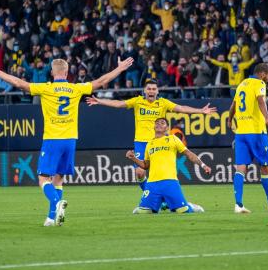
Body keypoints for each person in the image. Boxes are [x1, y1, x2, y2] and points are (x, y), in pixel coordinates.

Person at [0, 57, 133, 226]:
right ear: (67, 73)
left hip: (53, 138)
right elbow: (101, 81)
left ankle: (56, 202)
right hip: (70, 139)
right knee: (59, 179)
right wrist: (119, 69)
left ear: (52, 72)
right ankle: (52, 217)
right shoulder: (75, 88)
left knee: (43, 179)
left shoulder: (46, 88)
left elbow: (19, 83)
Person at [86, 79, 216, 192]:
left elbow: (181, 108)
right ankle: (148, 194)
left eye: (154, 89)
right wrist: (100, 101)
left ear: (157, 91)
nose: (151, 91)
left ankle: (164, 197)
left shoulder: (163, 103)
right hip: (141, 143)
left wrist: (200, 111)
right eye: (149, 89)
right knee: (139, 172)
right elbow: (119, 103)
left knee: (162, 174)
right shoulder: (137, 101)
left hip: (158, 142)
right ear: (144, 91)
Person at [226, 63, 268, 213]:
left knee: (240, 168)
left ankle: (238, 205)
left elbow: (234, 105)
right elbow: (260, 100)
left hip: (241, 133)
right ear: (262, 74)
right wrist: (267, 116)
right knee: (265, 166)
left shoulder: (242, 84)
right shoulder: (259, 83)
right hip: (256, 132)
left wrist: (230, 119)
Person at [125, 118, 209, 214]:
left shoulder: (173, 139)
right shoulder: (150, 144)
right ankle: (151, 205)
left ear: (167, 128)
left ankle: (189, 205)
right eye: (156, 123)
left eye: (162, 123)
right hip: (152, 184)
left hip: (170, 182)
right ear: (154, 127)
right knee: (142, 212)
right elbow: (145, 165)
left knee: (182, 211)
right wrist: (133, 158)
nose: (159, 124)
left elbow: (189, 154)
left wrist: (203, 165)